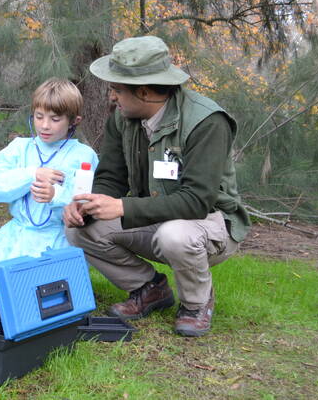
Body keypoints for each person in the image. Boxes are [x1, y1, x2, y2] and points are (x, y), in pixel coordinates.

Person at [63, 36, 251, 337]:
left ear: (146, 92)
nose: (112, 96)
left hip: (211, 224)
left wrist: (121, 207)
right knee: (80, 228)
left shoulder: (207, 122)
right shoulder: (123, 119)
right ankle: (149, 289)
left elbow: (196, 201)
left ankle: (196, 303)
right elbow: (112, 177)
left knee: (175, 235)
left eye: (118, 89)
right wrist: (88, 204)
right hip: (156, 218)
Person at [0, 78, 99, 310]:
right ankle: (4, 304)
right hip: (16, 236)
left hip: (56, 240)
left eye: (55, 119)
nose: (45, 126)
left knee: (40, 297)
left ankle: (14, 306)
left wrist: (56, 195)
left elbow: (82, 203)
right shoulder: (21, 148)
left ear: (74, 121)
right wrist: (32, 174)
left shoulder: (83, 155)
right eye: (39, 117)